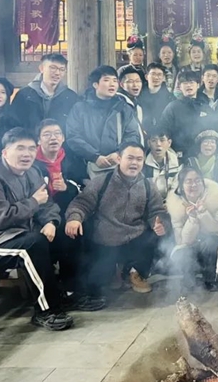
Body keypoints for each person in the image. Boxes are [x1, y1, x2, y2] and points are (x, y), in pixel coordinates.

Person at [0, 128, 75, 331]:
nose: (27, 154)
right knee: (32, 246)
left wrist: (51, 222)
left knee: (68, 231)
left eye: (31, 148)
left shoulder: (32, 172)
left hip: (21, 232)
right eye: (20, 148)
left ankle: (71, 292)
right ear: (5, 152)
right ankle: (47, 310)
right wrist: (33, 202)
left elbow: (47, 204)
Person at [66, 143, 168, 302]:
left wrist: (160, 223)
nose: (134, 163)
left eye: (139, 159)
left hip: (135, 237)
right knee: (98, 286)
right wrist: (74, 218)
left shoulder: (148, 185)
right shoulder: (101, 182)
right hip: (105, 239)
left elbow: (157, 210)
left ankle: (136, 272)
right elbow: (81, 203)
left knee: (155, 234)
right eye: (130, 158)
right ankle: (114, 272)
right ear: (119, 159)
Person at [34, 119, 84, 294]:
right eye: (47, 134)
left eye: (57, 134)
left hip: (67, 209)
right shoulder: (31, 162)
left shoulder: (73, 160)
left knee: (77, 229)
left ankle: (72, 285)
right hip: (39, 214)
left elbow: (84, 187)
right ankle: (52, 289)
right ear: (38, 140)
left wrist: (67, 187)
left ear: (63, 138)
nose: (53, 138)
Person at [66, 66, 142, 180]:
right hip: (87, 166)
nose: (112, 84)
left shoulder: (124, 108)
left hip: (118, 164)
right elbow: (73, 136)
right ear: (95, 84)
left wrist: (119, 153)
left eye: (115, 80)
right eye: (106, 80)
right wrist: (94, 156)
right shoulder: (80, 108)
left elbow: (132, 135)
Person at [166, 166, 218, 292]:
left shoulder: (213, 199)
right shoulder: (176, 206)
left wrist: (203, 213)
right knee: (181, 253)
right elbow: (182, 241)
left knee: (211, 241)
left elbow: (216, 229)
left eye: (197, 180)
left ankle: (210, 279)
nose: (194, 185)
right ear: (182, 186)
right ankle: (189, 280)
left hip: (209, 247)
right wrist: (192, 219)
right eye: (188, 181)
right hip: (190, 246)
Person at [11, 53, 79, 133]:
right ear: (41, 68)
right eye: (53, 68)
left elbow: (75, 128)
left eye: (62, 69)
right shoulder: (24, 95)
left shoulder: (71, 97)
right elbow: (13, 125)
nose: (57, 73)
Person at [157, 71, 208, 160]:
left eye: (191, 82)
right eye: (185, 83)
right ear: (180, 87)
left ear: (198, 85)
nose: (188, 85)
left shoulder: (205, 107)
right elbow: (163, 131)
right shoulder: (172, 107)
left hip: (202, 155)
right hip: (179, 155)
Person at [144, 128, 182, 200]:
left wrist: (168, 202)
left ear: (169, 143)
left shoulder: (178, 164)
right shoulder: (142, 164)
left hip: (171, 201)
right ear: (148, 143)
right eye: (154, 140)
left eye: (162, 140)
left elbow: (176, 190)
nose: (158, 144)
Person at [139, 63, 174, 134]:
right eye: (153, 74)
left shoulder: (170, 98)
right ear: (146, 77)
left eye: (159, 74)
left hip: (163, 135)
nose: (156, 77)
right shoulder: (138, 96)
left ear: (164, 78)